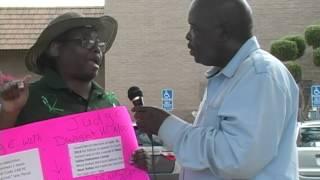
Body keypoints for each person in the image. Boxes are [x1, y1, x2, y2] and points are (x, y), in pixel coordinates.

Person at [132, 0, 299, 179]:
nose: (188, 37)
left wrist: (166, 126)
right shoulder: (231, 75)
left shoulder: (260, 75)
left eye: (195, 29)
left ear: (223, 33)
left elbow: (236, 159)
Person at [0, 12, 148, 170]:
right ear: (55, 49)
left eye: (99, 44)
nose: (97, 49)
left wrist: (136, 161)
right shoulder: (26, 99)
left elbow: (122, 161)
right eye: (87, 41)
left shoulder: (110, 104)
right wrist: (10, 112)